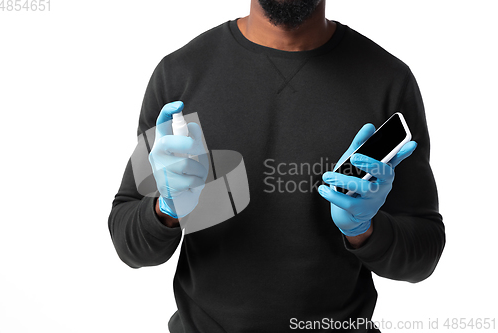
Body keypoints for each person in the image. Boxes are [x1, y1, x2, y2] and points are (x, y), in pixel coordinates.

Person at [108, 0, 446, 332]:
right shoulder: (180, 73)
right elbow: (131, 245)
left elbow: (422, 257)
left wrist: (364, 231)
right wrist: (166, 209)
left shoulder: (387, 79)